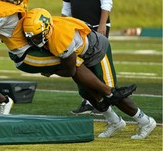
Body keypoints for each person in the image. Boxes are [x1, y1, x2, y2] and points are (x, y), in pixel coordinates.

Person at [0, 0, 135, 109]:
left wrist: (4, 33)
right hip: (26, 54)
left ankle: (102, 104)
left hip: (33, 43)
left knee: (73, 63)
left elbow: (14, 20)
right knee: (74, 63)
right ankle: (109, 93)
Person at [23, 8, 156, 139]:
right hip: (83, 55)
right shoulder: (49, 30)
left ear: (46, 30)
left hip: (97, 51)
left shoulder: (60, 39)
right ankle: (115, 122)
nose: (33, 40)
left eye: (35, 36)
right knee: (87, 93)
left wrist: (50, 71)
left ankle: (146, 121)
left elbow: (71, 71)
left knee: (111, 93)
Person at [61, 0, 113, 115]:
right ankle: (90, 101)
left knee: (99, 65)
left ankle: (109, 97)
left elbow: (106, 2)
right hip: (79, 31)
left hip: (96, 29)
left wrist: (102, 26)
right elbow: (66, 11)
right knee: (82, 66)